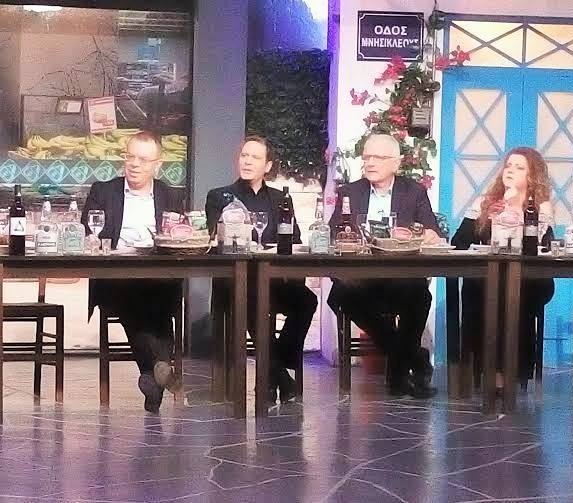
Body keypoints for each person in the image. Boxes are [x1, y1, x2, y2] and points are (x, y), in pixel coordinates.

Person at [327, 133, 443, 398]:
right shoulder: (350, 192)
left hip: (401, 278)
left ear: (396, 163)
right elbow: (334, 233)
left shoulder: (413, 192)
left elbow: (432, 231)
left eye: (377, 157)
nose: (370, 162)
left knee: (420, 296)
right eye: (366, 157)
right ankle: (414, 359)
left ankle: (400, 371)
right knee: (340, 296)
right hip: (360, 280)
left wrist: (426, 234)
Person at [205, 135, 318, 404]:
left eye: (255, 157)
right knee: (253, 299)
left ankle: (276, 365)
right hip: (236, 283)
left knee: (307, 301)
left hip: (274, 280)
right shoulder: (220, 196)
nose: (247, 161)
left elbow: (294, 240)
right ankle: (278, 376)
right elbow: (214, 239)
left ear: (267, 166)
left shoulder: (280, 199)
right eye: (244, 156)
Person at [82, 130, 184, 413]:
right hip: (116, 277)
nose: (135, 164)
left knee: (159, 296)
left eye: (143, 159)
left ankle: (152, 377)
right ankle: (160, 366)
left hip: (158, 277)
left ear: (158, 164)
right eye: (130, 157)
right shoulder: (103, 191)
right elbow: (87, 232)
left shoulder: (170, 195)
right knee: (136, 297)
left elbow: (179, 233)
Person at [451, 146, 555, 383]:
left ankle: (510, 371)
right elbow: (458, 243)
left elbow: (541, 247)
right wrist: (486, 217)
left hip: (530, 278)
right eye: (508, 166)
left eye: (519, 168)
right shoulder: (485, 203)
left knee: (513, 292)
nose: (510, 171)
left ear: (532, 176)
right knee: (485, 288)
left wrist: (517, 213)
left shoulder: (540, 207)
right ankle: (486, 369)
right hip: (488, 277)